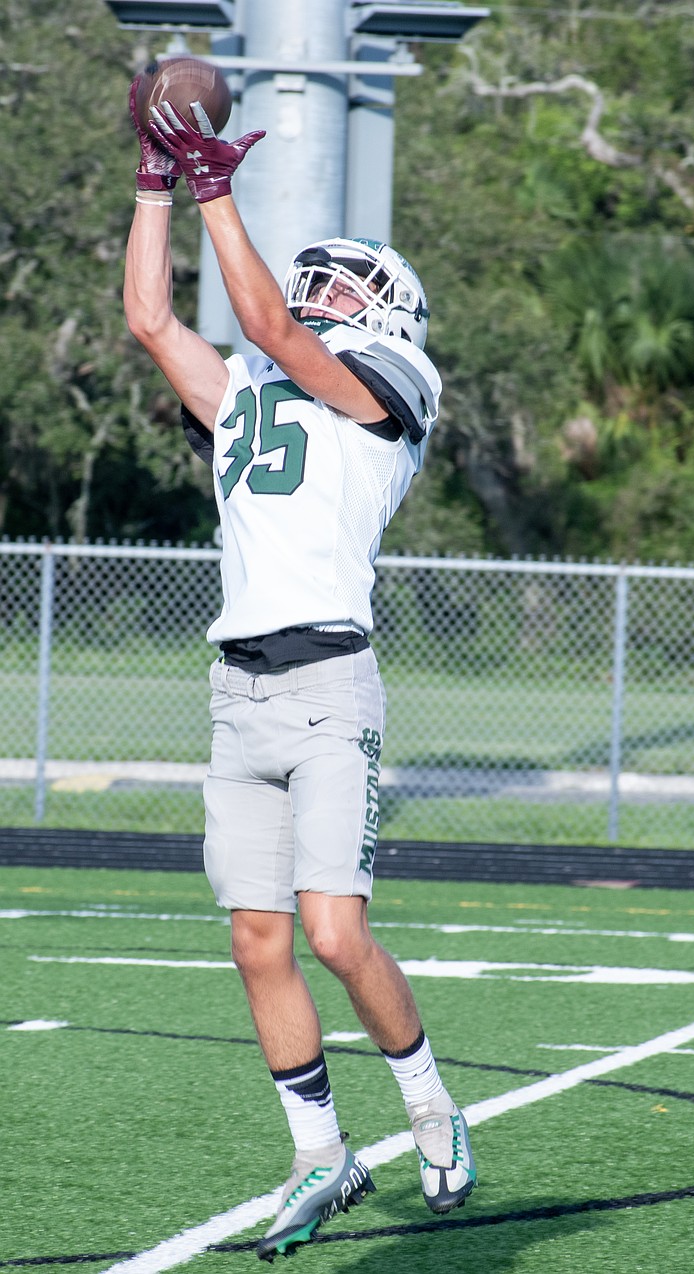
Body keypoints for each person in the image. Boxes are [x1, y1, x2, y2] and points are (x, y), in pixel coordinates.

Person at [122, 74, 477, 1262]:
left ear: (388, 312)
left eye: (341, 280)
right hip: (238, 693)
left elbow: (270, 324)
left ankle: (430, 1102)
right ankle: (322, 1148)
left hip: (329, 685)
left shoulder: (396, 390)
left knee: (333, 929)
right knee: (256, 940)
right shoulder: (258, 396)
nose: (320, 290)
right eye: (313, 272)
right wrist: (156, 181)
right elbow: (151, 322)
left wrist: (217, 186)